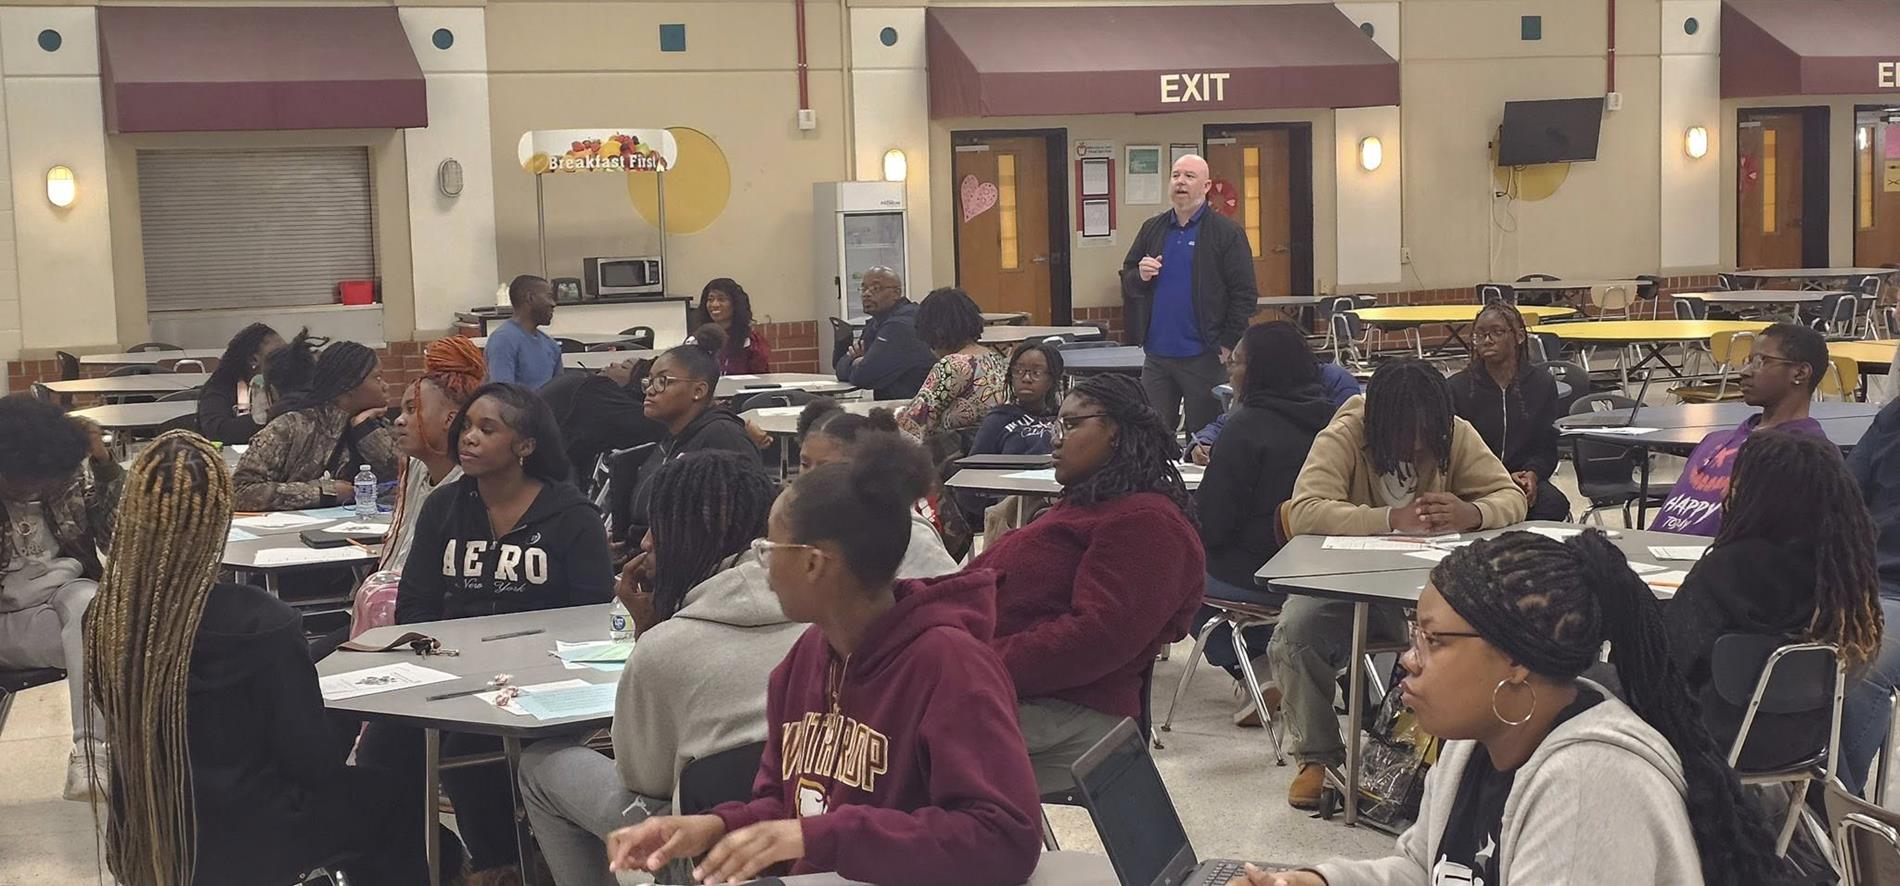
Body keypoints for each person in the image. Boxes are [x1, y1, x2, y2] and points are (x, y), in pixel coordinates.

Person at [603, 434, 1042, 886]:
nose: (762, 568)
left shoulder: (950, 664)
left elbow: (1004, 837)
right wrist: (715, 826)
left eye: (769, 550)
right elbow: (789, 806)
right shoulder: (806, 658)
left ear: (814, 564)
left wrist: (822, 837)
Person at [1234, 531, 1782, 886]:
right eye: (1412, 636)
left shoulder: (1589, 786)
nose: (1408, 659)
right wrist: (1316, 882)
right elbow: (1423, 871)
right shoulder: (1478, 739)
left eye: (1433, 640)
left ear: (1515, 660)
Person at [84, 431, 420, 886]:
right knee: (393, 796)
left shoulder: (106, 618)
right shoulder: (262, 622)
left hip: (148, 832)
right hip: (257, 836)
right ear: (220, 520)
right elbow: (313, 762)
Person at [359, 382, 615, 883]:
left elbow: (593, 615)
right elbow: (416, 604)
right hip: (453, 669)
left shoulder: (572, 517)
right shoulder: (445, 508)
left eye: (487, 429)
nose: (468, 439)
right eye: (466, 427)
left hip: (544, 676)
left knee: (464, 757)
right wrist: (446, 657)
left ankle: (507, 869)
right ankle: (421, 864)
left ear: (525, 446)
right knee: (381, 750)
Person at [517, 451, 799, 886]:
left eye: (658, 528)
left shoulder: (667, 648)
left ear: (686, 539)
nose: (646, 542)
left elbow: (640, 778)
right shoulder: (818, 614)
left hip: (704, 846)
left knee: (540, 766)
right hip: (802, 829)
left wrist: (651, 632)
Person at [1270, 358, 1526, 809]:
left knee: (1485, 635)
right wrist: (1388, 519)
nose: (1418, 444)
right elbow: (1304, 509)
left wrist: (1474, 513)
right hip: (1351, 586)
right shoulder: (1345, 433)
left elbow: (1509, 495)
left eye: (1428, 434)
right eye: (1406, 433)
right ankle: (1319, 759)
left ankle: (1457, 755)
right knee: (1295, 630)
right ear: (1379, 422)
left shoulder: (1454, 432)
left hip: (1434, 592)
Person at [969, 373, 1205, 790]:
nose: (1054, 440)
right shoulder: (1082, 505)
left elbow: (1094, 640)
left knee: (886, 741)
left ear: (1117, 431)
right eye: (1055, 425)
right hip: (1016, 692)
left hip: (1071, 712)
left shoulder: (1147, 523)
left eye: (1072, 424)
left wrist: (971, 665)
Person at [1663, 429, 1883, 771]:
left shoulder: (1728, 569)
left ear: (1758, 494)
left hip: (1708, 745)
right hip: (1805, 746)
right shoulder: (1842, 576)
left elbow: (1666, 663)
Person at [1194, 322, 1339, 717]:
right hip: (1325, 572)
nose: (1230, 371)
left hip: (1259, 571)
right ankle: (1268, 665)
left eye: (1237, 362)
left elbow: (1214, 521)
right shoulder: (1333, 419)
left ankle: (1252, 668)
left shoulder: (1245, 426)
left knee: (1172, 571)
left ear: (1259, 370)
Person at [0, 395, 119, 800]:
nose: (36, 489)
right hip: (7, 618)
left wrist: (105, 468)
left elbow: (114, 539)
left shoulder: (63, 478)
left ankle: (91, 753)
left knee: (94, 613)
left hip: (66, 597)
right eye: (26, 481)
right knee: (103, 636)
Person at [349, 336, 486, 636]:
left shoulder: (471, 489)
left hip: (425, 623)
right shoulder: (415, 468)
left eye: (412, 410)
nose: (399, 420)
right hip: (387, 608)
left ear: (450, 419)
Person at [1120, 153, 1259, 434]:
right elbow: (1129, 279)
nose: (1180, 182)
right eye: (1176, 175)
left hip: (1204, 355)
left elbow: (1244, 294)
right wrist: (1141, 276)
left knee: (1203, 438)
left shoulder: (1226, 232)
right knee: (1152, 437)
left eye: (1189, 176)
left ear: (1206, 186)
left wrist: (1227, 343)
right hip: (1157, 356)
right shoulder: (1153, 228)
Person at [1653, 322, 1827, 536]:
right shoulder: (1713, 441)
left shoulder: (1805, 457)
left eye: (1761, 362)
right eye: (1748, 361)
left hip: (1715, 564)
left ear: (1800, 373)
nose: (1744, 372)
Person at [613, 327, 759, 547]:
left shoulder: (723, 439)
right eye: (649, 381)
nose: (650, 391)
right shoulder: (672, 435)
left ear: (698, 391)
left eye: (663, 381)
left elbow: (742, 525)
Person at [231, 331, 397, 512]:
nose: (385, 386)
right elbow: (239, 491)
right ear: (349, 385)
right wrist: (323, 492)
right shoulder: (291, 427)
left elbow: (407, 480)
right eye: (377, 377)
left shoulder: (377, 426)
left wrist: (366, 431)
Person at [796, 399, 960, 578]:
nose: (810, 475)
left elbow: (949, 595)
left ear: (862, 467)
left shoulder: (907, 534)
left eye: (824, 466)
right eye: (804, 464)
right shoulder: (797, 520)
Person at [1448, 301, 1570, 521]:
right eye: (1480, 334)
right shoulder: (1458, 387)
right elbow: (1454, 452)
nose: (1487, 340)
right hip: (1476, 482)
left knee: (1554, 504)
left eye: (1497, 332)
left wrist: (1532, 474)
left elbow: (1546, 446)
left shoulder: (1541, 383)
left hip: (1521, 478)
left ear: (1519, 336)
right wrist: (1496, 479)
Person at [1843, 354, 1900, 794]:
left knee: (1862, 668)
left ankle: (1833, 809)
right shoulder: (1893, 417)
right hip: (1856, 578)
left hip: (1895, 594)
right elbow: (1844, 493)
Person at [956, 341, 1062, 522]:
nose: (1026, 378)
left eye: (1036, 373)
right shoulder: (998, 419)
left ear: (1051, 379)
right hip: (1014, 507)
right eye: (1019, 371)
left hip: (1059, 496)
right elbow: (971, 478)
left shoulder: (1063, 417)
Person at [1186, 358, 1357, 466]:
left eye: (1237, 363)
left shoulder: (1333, 379)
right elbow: (1228, 421)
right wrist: (1202, 443)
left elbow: (1351, 431)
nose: (1230, 371)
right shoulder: (1263, 385)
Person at [896, 287, 1008, 440]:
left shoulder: (952, 365)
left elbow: (912, 424)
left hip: (956, 454)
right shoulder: (994, 358)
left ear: (933, 331)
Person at [539, 352, 665, 488]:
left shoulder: (586, 385)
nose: (613, 364)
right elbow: (660, 428)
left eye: (624, 367)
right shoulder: (596, 390)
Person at [835, 266, 935, 400]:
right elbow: (840, 367)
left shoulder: (901, 325)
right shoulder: (875, 322)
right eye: (863, 288)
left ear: (896, 293)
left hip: (912, 408)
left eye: (876, 288)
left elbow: (864, 376)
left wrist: (858, 361)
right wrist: (857, 362)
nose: (866, 294)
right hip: (890, 405)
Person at [196, 323, 284, 445]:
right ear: (253, 360)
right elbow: (217, 432)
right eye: (277, 355)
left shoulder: (290, 383)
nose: (285, 359)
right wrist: (261, 419)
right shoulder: (221, 387)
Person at [485, 274, 563, 389]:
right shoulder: (504, 340)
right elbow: (502, 395)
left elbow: (561, 391)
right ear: (530, 298)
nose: (553, 304)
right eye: (549, 296)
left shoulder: (551, 345)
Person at [698, 278, 771, 374]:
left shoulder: (750, 342)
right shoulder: (697, 339)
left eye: (721, 299)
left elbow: (761, 376)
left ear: (735, 304)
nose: (715, 304)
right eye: (710, 300)